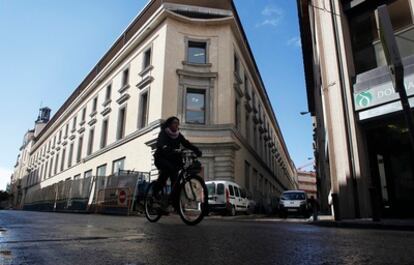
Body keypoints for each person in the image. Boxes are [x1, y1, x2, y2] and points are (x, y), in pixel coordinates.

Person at [153, 116, 202, 204]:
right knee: (167, 171)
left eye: (177, 123)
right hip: (161, 158)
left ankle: (174, 202)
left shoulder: (178, 135)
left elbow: (186, 143)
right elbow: (160, 143)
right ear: (170, 124)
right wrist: (165, 148)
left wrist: (196, 150)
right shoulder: (164, 133)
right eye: (174, 123)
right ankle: (155, 192)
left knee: (175, 180)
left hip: (173, 160)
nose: (176, 125)